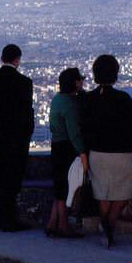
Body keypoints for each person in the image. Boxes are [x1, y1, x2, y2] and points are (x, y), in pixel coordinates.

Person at [80, 54, 132, 248]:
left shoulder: (88, 99)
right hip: (124, 153)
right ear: (115, 74)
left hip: (98, 154)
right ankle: (109, 225)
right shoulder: (123, 98)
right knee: (124, 193)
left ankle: (105, 226)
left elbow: (84, 127)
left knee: (102, 193)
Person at [0, 44, 35, 231]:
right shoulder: (25, 82)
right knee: (13, 177)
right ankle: (9, 219)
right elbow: (27, 112)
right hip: (17, 136)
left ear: (2, 59)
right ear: (17, 60)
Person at [45, 68, 87, 238]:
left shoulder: (56, 99)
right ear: (76, 82)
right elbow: (74, 132)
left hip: (56, 145)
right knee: (66, 187)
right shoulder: (70, 104)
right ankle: (63, 225)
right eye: (80, 80)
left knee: (59, 186)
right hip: (67, 147)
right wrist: (82, 153)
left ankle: (52, 223)